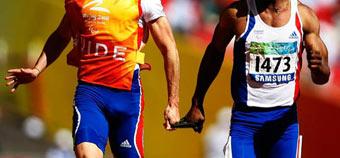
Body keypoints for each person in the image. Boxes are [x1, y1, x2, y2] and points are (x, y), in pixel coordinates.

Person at [5, 0, 180, 157]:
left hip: (127, 98)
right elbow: (61, 35)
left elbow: (169, 47)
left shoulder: (144, 1)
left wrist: (173, 103)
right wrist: (36, 70)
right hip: (90, 94)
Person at [173, 0, 330, 157]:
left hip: (284, 125)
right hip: (245, 124)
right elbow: (214, 54)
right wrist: (197, 102)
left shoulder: (304, 17)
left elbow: (321, 78)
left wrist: (321, 68)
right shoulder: (237, 15)